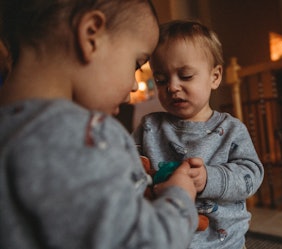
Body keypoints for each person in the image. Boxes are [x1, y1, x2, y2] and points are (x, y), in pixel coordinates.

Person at [0, 1, 199, 249]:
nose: (134, 86)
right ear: (91, 35)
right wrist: (179, 196)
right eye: (136, 64)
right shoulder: (87, 134)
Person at [132, 20, 264, 249]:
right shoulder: (149, 126)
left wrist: (208, 179)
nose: (172, 87)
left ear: (215, 76)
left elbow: (251, 176)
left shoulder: (231, 130)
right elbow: (126, 163)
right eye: (161, 80)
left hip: (224, 243)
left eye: (185, 76)